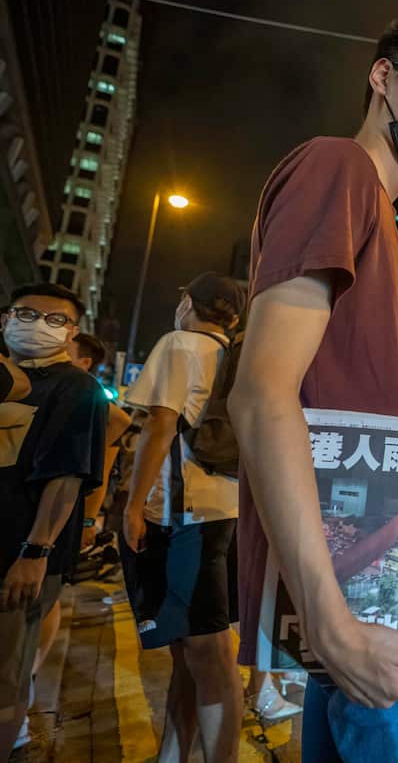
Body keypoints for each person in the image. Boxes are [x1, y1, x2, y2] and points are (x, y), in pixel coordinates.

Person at [227, 8, 398, 763]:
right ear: (383, 76)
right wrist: (328, 615)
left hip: (368, 600)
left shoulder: (375, 217)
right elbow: (260, 394)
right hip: (369, 615)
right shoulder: (338, 168)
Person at [118, 272, 245, 763]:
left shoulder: (180, 343)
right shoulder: (238, 357)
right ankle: (173, 752)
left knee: (207, 654)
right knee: (191, 651)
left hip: (185, 515)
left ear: (188, 303)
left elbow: (160, 426)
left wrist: (132, 506)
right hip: (227, 511)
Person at [0, 284, 106, 758]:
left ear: (72, 333)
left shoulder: (76, 387)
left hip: (17, 557)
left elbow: (66, 476)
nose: (37, 324)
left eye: (54, 319)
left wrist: (36, 552)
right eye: (26, 313)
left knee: (4, 679)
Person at [67, 334, 132, 551]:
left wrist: (88, 521)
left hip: (63, 510)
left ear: (84, 363)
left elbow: (101, 470)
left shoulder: (98, 410)